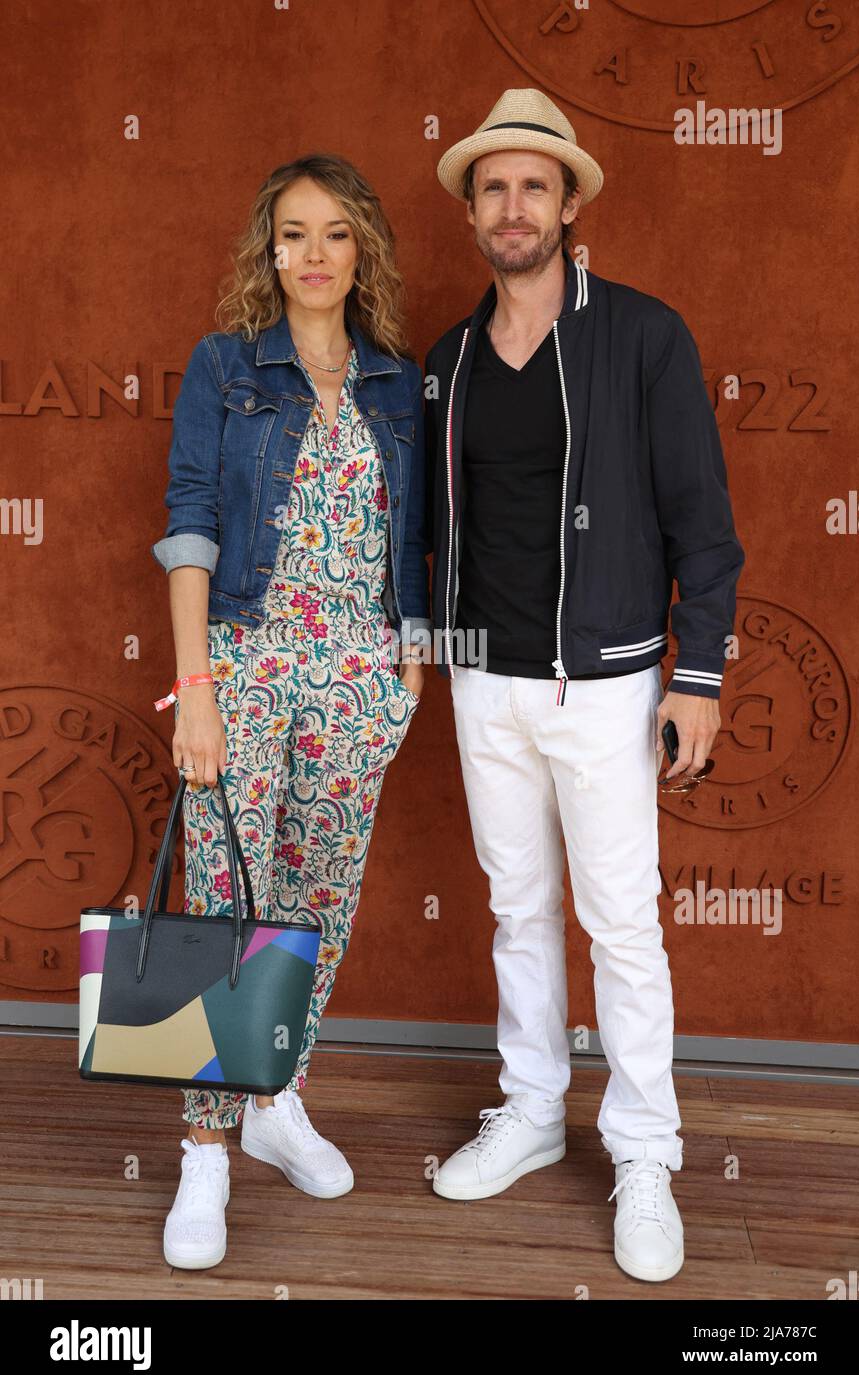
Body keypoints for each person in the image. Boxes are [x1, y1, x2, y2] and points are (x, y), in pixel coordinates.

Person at [422, 89, 745, 1282]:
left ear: (567, 205)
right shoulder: (447, 358)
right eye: (493, 187)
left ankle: (646, 1152)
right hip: (482, 682)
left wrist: (695, 672)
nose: (514, 206)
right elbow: (433, 533)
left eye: (534, 186)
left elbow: (702, 528)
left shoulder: (645, 337)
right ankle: (529, 1110)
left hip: (606, 683)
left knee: (621, 925)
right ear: (473, 211)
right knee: (517, 909)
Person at [150, 154, 431, 1270]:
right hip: (246, 661)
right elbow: (189, 528)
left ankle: (278, 1097)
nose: (312, 256)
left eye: (335, 235)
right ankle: (205, 1151)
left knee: (319, 900)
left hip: (358, 678)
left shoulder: (397, 385)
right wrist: (196, 689)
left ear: (362, 253)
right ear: (268, 252)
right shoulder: (226, 367)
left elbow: (416, 538)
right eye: (292, 234)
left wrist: (410, 669)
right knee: (228, 900)